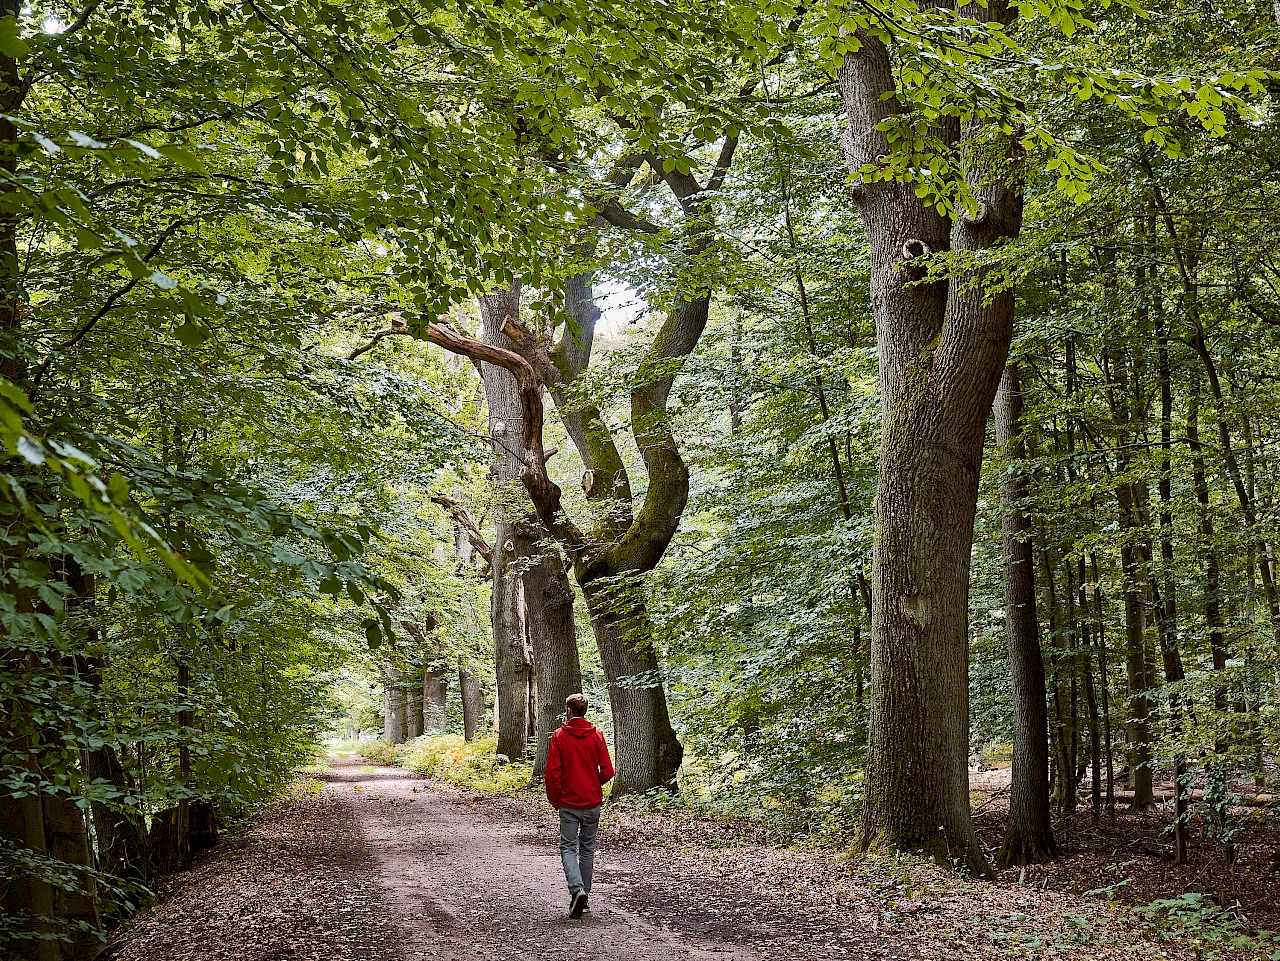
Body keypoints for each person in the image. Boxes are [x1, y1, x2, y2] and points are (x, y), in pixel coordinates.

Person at [545, 692, 615, 919]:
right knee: (587, 849)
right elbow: (608, 771)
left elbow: (552, 773)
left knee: (567, 847)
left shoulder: (559, 736)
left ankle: (577, 891)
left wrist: (555, 799)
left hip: (569, 802)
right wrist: (595, 783)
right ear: (584, 711)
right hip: (592, 801)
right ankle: (584, 895)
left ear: (569, 710)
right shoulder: (597, 736)